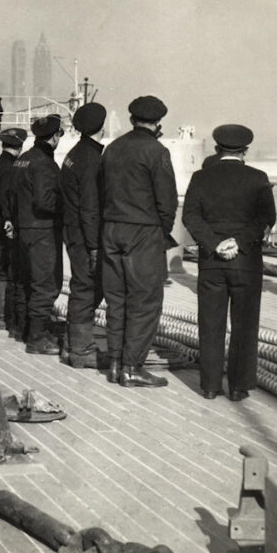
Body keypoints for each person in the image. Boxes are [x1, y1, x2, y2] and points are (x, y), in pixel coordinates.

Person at [183, 125, 277, 401]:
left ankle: (210, 386)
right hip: (246, 261)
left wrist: (215, 243)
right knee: (245, 324)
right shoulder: (258, 178)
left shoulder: (201, 177)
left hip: (212, 263)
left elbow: (190, 216)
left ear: (217, 149)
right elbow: (265, 218)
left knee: (210, 323)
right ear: (245, 151)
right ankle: (238, 387)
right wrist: (239, 241)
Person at [99, 95, 178, 388]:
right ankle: (132, 367)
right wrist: (162, 233)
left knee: (116, 299)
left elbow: (101, 191)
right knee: (144, 301)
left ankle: (116, 363)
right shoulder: (157, 152)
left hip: (111, 230)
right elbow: (167, 200)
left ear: (132, 120)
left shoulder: (113, 148)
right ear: (158, 123)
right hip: (142, 232)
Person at [13, 114, 65, 355]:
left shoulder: (23, 159)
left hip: (24, 229)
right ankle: (37, 338)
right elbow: (45, 202)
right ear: (54, 137)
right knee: (46, 283)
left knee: (27, 281)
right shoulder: (44, 163)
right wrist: (66, 208)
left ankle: (23, 329)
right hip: (42, 230)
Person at [60, 102, 107, 368]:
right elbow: (90, 206)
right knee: (87, 289)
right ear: (102, 126)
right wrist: (94, 247)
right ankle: (81, 350)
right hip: (85, 236)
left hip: (73, 231)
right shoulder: (91, 159)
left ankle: (72, 346)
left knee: (82, 288)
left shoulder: (75, 154)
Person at [0, 127, 26, 330]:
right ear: (20, 145)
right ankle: (1, 316)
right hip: (2, 224)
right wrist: (9, 220)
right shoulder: (10, 168)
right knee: (3, 269)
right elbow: (5, 197)